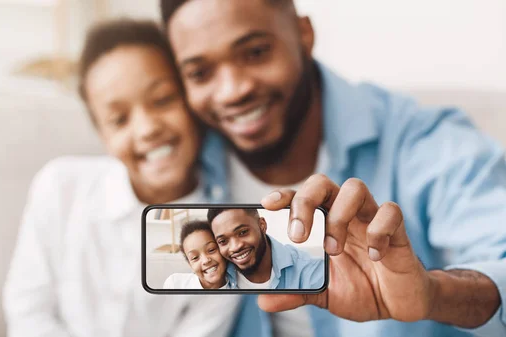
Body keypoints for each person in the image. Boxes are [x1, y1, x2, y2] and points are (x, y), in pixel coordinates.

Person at [160, 0, 506, 336]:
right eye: (200, 73)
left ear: (304, 33)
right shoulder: (185, 158)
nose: (232, 91)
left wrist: (433, 293)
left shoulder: (427, 142)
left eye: (256, 52)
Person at [2, 19, 243, 337]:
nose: (147, 129)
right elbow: (27, 313)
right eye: (119, 119)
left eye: (162, 100)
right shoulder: (59, 187)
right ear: (102, 134)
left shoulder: (225, 235)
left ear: (191, 100)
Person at [207, 208, 324, 290]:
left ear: (262, 225)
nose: (235, 247)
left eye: (243, 232)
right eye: (223, 241)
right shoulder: (218, 276)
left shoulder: (312, 272)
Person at [163, 220, 230, 289]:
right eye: (195, 257)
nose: (205, 261)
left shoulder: (239, 286)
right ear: (190, 264)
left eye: (211, 250)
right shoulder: (175, 283)